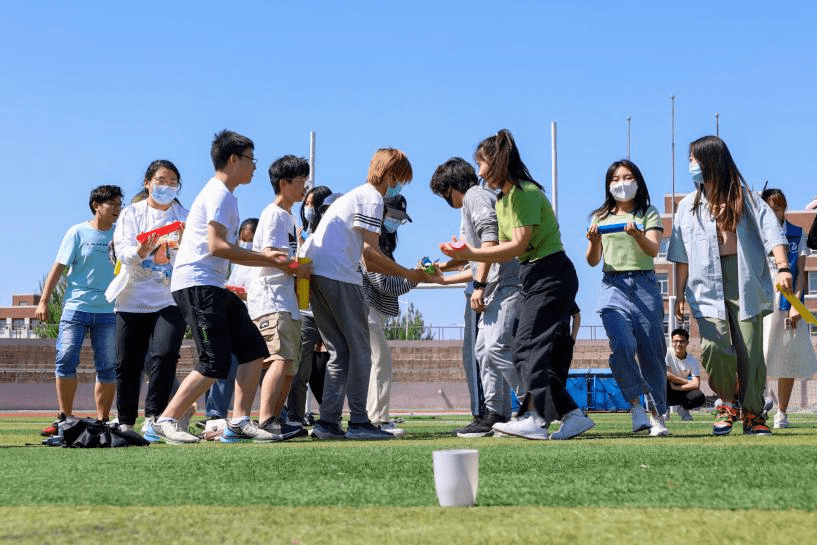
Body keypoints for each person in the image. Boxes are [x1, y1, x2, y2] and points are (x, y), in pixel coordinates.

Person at [148, 129, 309, 444]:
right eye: (250, 159)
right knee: (214, 362)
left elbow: (227, 252)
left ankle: (239, 421)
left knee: (253, 350)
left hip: (212, 285)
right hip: (197, 284)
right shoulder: (220, 194)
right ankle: (165, 419)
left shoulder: (225, 195)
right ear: (233, 160)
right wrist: (266, 257)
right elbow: (217, 247)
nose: (254, 167)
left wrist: (269, 260)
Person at [442, 129, 594, 440]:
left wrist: (470, 253)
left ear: (497, 163)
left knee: (526, 348)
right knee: (524, 349)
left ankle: (537, 418)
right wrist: (460, 259)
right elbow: (502, 248)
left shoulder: (524, 193)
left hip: (551, 273)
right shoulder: (503, 200)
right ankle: (571, 415)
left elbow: (516, 246)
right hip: (534, 276)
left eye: (482, 164)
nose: (479, 172)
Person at [299, 148, 431, 440]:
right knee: (360, 351)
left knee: (339, 352)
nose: (400, 186)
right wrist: (410, 273)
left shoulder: (354, 196)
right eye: (401, 180)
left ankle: (328, 423)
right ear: (392, 174)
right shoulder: (372, 197)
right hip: (339, 277)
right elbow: (370, 256)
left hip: (318, 275)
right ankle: (359, 421)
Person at [667, 135, 792, 436]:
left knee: (750, 349)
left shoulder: (746, 199)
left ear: (712, 161)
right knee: (714, 347)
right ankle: (726, 402)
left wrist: (784, 267)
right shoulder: (687, 206)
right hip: (704, 285)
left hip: (745, 279)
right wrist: (679, 293)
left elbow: (771, 231)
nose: (691, 165)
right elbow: (680, 256)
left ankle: (752, 413)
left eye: (695, 159)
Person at [430, 157, 523, 437]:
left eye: (443, 193)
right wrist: (442, 271)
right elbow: (473, 259)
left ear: (450, 187)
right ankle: (495, 414)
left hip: (504, 285)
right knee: (484, 351)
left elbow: (489, 241)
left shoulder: (474, 196)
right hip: (494, 286)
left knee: (495, 348)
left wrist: (480, 285)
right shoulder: (474, 200)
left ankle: (537, 406)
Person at [585, 159, 668, 437]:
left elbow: (653, 248)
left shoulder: (649, 213)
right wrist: (595, 240)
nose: (622, 183)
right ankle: (636, 407)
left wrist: (636, 234)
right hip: (613, 285)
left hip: (644, 284)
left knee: (651, 352)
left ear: (638, 181)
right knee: (621, 344)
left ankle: (658, 416)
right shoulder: (600, 216)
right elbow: (592, 260)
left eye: (628, 177)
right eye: (616, 179)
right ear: (609, 185)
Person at [36, 185, 123, 435]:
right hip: (76, 307)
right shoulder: (77, 232)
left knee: (107, 366)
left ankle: (102, 421)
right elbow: (58, 268)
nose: (117, 209)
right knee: (65, 360)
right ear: (97, 205)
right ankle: (64, 417)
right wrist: (43, 300)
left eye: (120, 205)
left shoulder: (120, 236)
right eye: (112, 204)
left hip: (108, 311)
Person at [112, 160, 188, 435]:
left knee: (164, 355)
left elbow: (193, 257)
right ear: (148, 183)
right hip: (131, 298)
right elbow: (122, 250)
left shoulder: (185, 218)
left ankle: (155, 418)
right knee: (127, 363)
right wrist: (140, 251)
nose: (166, 186)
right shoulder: (131, 213)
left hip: (170, 298)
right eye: (161, 180)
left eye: (172, 182)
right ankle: (125, 421)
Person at [362, 194, 438, 436]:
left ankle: (374, 418)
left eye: (400, 219)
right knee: (380, 365)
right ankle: (377, 420)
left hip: (373, 314)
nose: (396, 222)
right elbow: (385, 283)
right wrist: (414, 277)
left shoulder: (382, 245)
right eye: (393, 216)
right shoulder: (371, 243)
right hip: (368, 312)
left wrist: (413, 274)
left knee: (377, 366)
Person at [248, 155, 310, 438]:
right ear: (284, 184)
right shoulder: (273, 214)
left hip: (287, 299)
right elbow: (272, 257)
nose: (305, 187)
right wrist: (300, 266)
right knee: (280, 359)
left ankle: (276, 417)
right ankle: (266, 420)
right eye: (301, 182)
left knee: (290, 365)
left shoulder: (289, 216)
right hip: (272, 298)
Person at [761, 188, 817, 428]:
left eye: (778, 207)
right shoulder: (756, 235)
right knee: (759, 356)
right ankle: (759, 403)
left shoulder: (796, 234)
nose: (774, 213)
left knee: (788, 358)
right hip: (762, 303)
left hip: (789, 304)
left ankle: (781, 412)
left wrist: (796, 303)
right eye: (769, 208)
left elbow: (801, 274)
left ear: (784, 208)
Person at [201, 217, 258, 424]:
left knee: (260, 371)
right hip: (234, 320)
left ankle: (279, 413)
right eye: (242, 240)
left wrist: (247, 294)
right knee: (224, 365)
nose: (245, 244)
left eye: (250, 239)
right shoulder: (236, 263)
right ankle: (215, 413)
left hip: (257, 319)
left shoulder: (259, 260)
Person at [286, 186, 332, 427]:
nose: (309, 209)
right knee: (299, 369)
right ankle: (294, 417)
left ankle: (330, 416)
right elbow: (302, 277)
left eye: (314, 204)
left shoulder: (332, 235)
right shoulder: (302, 234)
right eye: (307, 204)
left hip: (328, 309)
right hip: (306, 311)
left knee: (334, 365)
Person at [665, 328, 705, 420]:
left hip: (681, 388)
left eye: (682, 341)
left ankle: (683, 409)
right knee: (663, 380)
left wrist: (677, 387)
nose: (678, 344)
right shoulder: (667, 353)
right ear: (672, 342)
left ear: (687, 342)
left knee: (699, 396)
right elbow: (667, 375)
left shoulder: (692, 360)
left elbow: (696, 384)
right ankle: (663, 411)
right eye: (675, 341)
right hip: (667, 387)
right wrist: (687, 381)